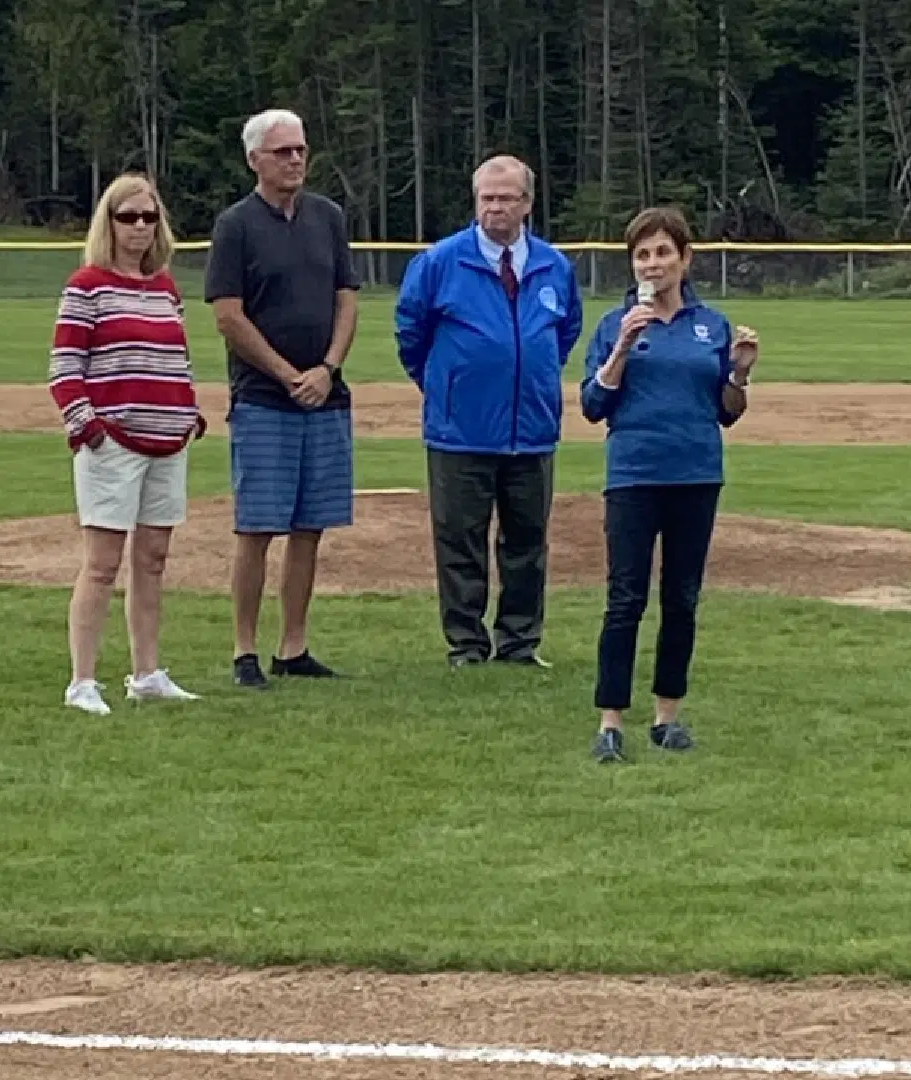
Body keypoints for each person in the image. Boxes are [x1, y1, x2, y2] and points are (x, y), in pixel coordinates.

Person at [578, 207, 758, 764]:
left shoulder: (713, 325)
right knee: (624, 599)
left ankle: (667, 716)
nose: (653, 264)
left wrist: (740, 373)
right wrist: (622, 348)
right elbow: (592, 404)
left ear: (685, 258)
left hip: (696, 474)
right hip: (633, 474)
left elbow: (728, 411)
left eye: (663, 252)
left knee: (681, 598)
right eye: (643, 255)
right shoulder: (614, 323)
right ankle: (610, 722)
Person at [393, 154, 582, 669]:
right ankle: (467, 644)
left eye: (506, 198)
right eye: (486, 198)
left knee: (527, 541)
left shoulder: (553, 266)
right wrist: (443, 384)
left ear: (527, 204)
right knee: (460, 541)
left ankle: (520, 642)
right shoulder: (440, 262)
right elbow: (411, 334)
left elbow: (564, 333)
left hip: (532, 429)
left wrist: (531, 377)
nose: (495, 208)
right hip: (460, 430)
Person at [203, 108, 360, 689]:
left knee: (310, 525)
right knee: (258, 527)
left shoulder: (327, 217)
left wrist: (327, 368)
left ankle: (293, 645)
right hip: (264, 400)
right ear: (255, 161)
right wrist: (288, 373)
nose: (295, 160)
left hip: (326, 397)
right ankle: (244, 650)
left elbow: (347, 298)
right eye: (282, 152)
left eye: (300, 149)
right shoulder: (236, 226)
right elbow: (227, 315)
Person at [48, 173, 206, 715]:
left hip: (169, 438)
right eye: (128, 216)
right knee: (101, 563)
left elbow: (178, 359)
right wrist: (86, 425)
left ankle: (146, 672)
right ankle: (82, 680)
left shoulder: (165, 287)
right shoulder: (86, 285)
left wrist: (189, 410)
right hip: (113, 441)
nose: (140, 227)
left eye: (149, 217)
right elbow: (65, 368)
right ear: (108, 223)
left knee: (154, 558)